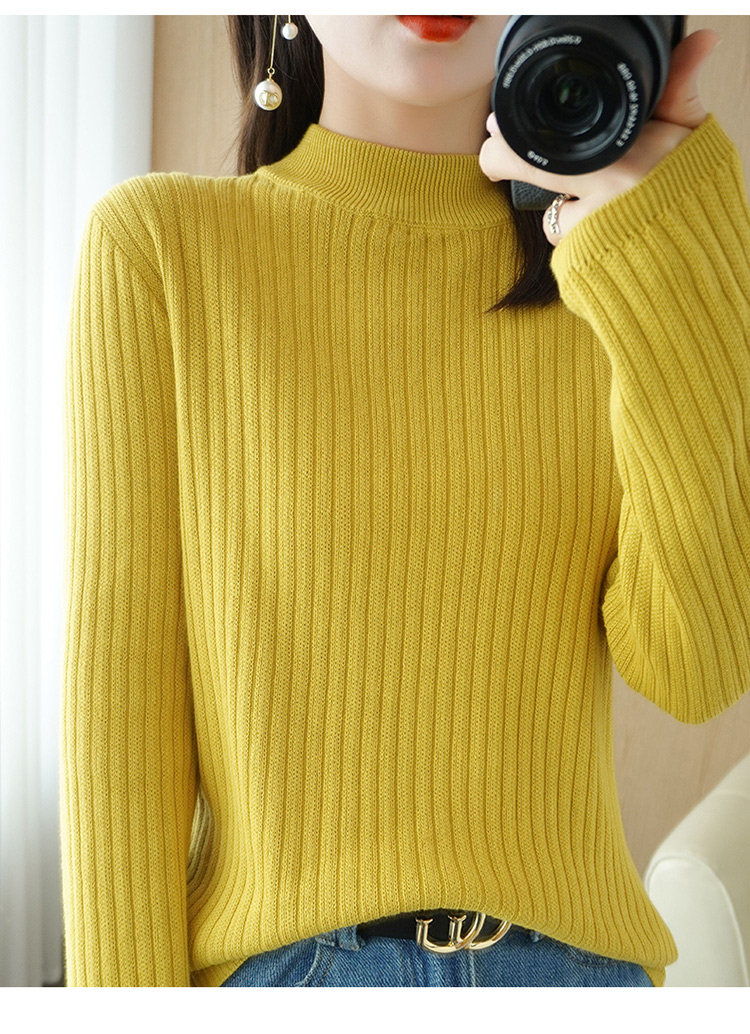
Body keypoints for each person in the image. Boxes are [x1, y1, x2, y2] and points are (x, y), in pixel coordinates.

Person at [59, 14, 749, 988]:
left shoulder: (612, 261)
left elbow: (695, 666)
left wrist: (675, 253)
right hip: (291, 976)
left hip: (576, 977)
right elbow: (119, 734)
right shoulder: (161, 246)